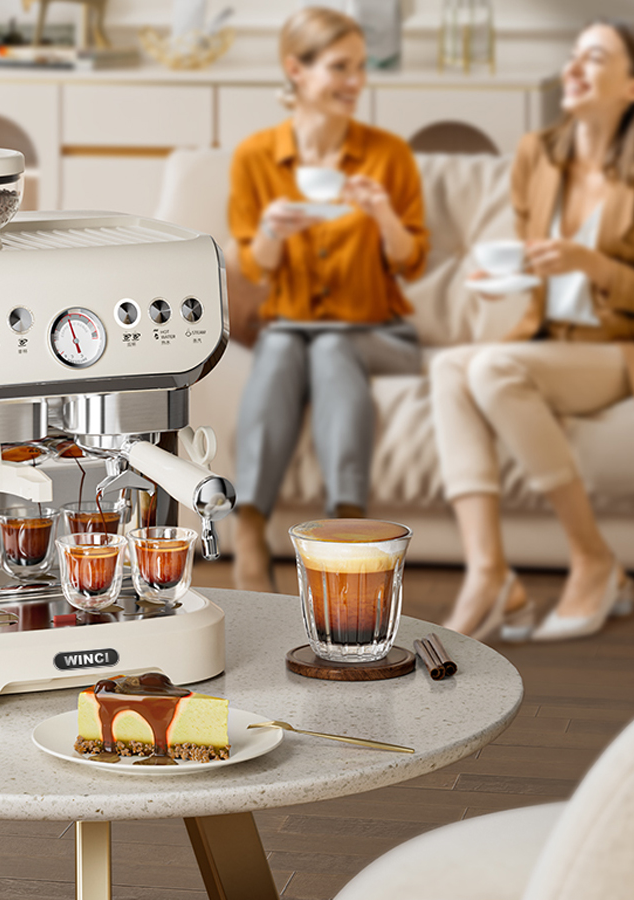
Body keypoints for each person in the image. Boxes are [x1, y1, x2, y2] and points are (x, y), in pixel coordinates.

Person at [431, 17, 634, 642]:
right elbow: (536, 262)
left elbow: (592, 273)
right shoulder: (538, 155)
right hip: (550, 343)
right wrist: (509, 279)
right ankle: (489, 573)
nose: (572, 69)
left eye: (594, 57)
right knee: (449, 368)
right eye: (573, 55)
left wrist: (592, 265)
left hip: (620, 347)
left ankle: (594, 558)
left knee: (494, 369)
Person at [227, 6, 429, 592]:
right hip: (290, 329)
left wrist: (383, 213)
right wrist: (271, 229)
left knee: (332, 343)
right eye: (341, 67)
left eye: (361, 67)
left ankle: (348, 527)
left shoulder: (387, 155)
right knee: (285, 343)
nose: (356, 81)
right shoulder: (256, 157)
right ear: (296, 69)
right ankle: (249, 530)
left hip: (380, 333)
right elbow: (254, 266)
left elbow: (411, 260)